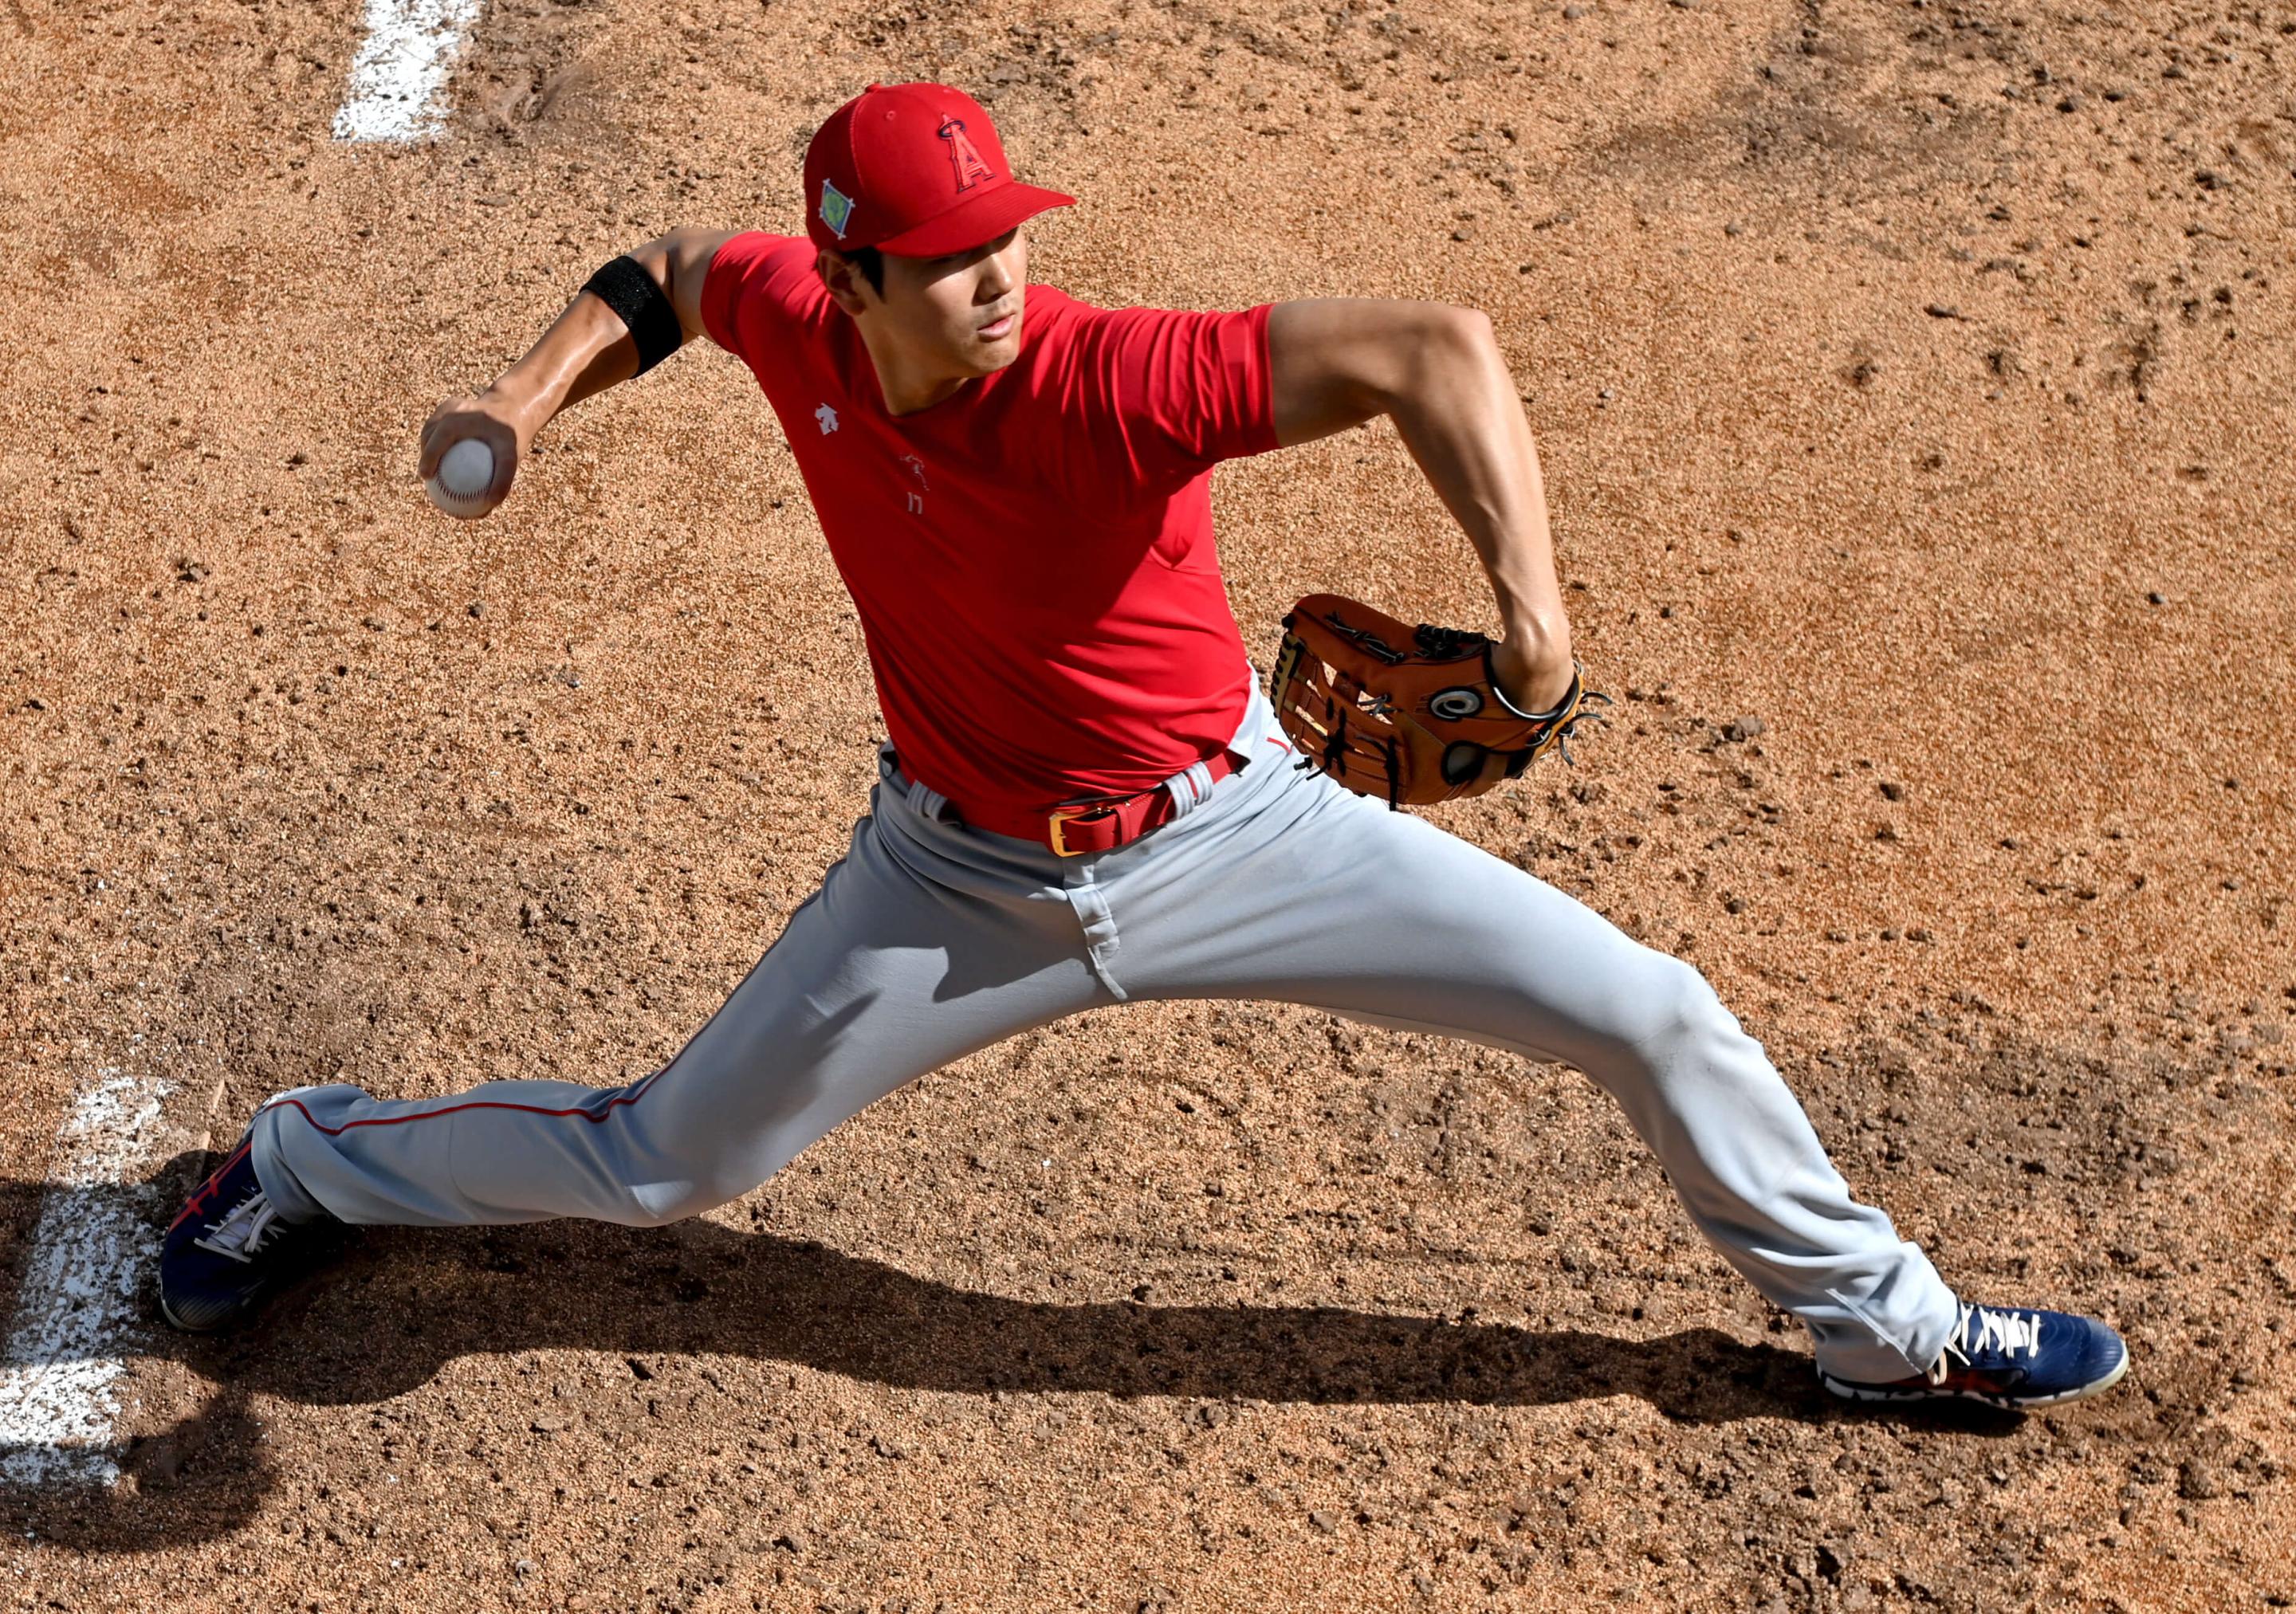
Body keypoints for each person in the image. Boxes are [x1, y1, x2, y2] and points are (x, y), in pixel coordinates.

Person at [159, 81, 2126, 1408]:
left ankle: (1892, 1328)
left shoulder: (1108, 375)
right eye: (946, 255)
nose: (998, 272)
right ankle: (307, 1160)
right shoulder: (794, 315)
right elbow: (678, 268)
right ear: (852, 280)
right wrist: (523, 398)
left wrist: (1537, 609)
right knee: (669, 1158)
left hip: (1239, 834)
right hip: (954, 879)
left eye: (1007, 232)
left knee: (1647, 1007)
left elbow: (1438, 347)